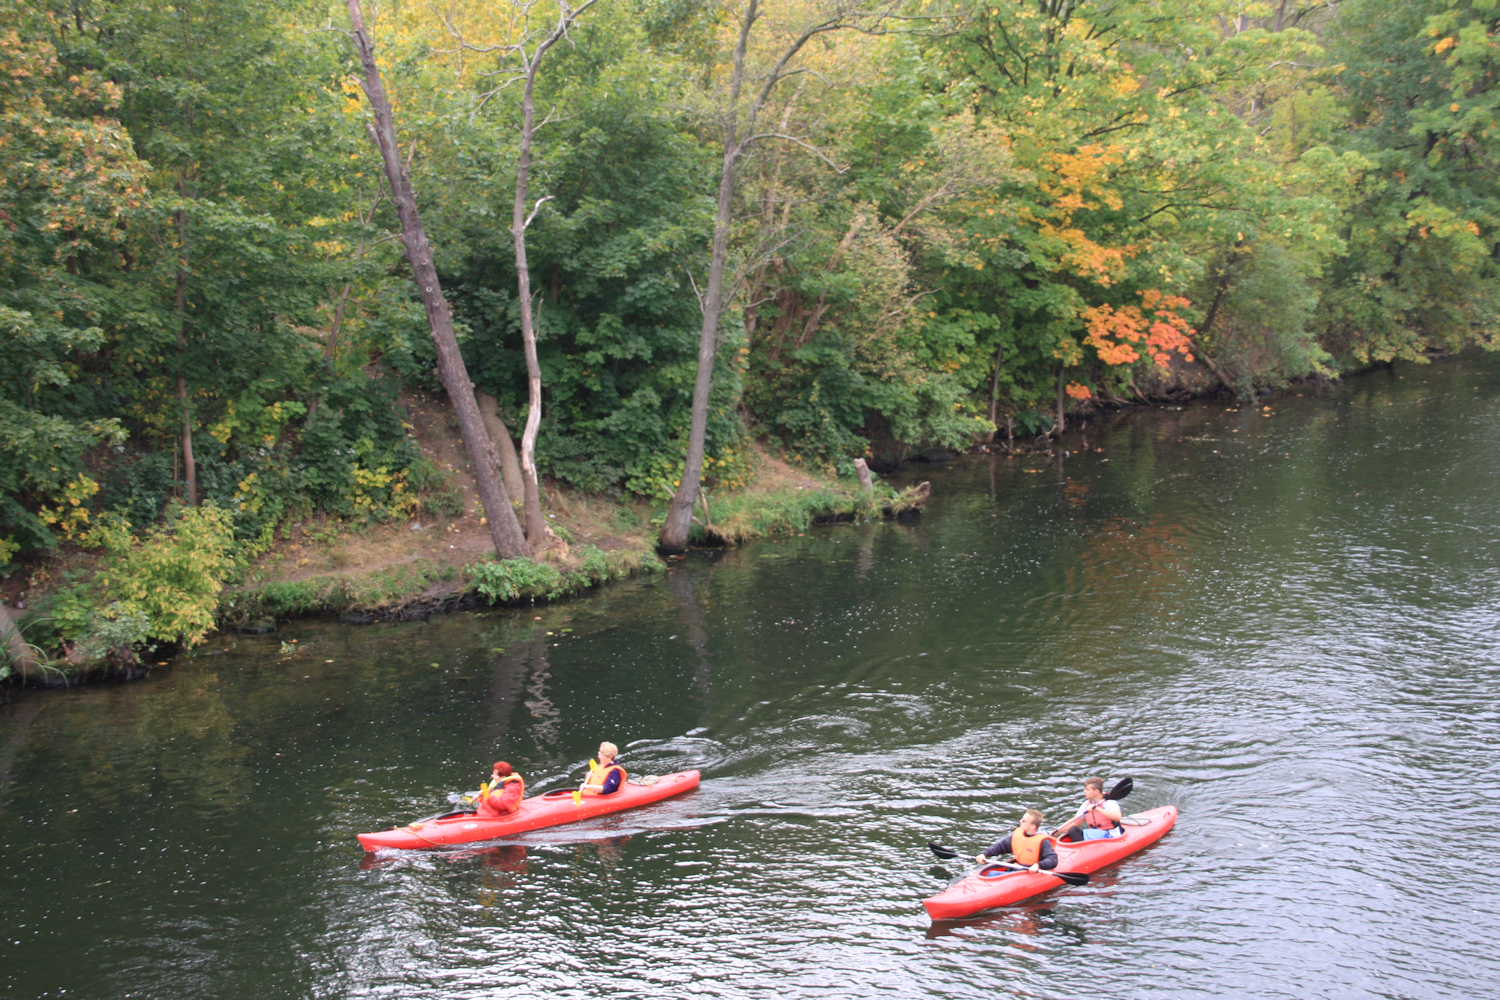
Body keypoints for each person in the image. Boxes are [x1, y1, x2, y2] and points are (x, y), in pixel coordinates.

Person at [974, 808, 1059, 873]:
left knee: (992, 874)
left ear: (1032, 826)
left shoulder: (1043, 841)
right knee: (991, 873)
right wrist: (985, 854)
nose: (1020, 821)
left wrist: (1038, 865)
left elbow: (1053, 860)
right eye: (1022, 819)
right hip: (1019, 868)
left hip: (1033, 871)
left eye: (1024, 821)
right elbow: (1001, 846)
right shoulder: (1018, 834)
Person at [1052, 776, 1124, 842]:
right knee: (1073, 830)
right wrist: (1054, 832)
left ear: (1096, 791)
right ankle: (1083, 848)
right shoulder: (1086, 804)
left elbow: (1117, 817)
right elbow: (1074, 822)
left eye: (1087, 790)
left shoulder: (1109, 803)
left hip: (1110, 836)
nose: (1084, 792)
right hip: (1094, 835)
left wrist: (1098, 809)